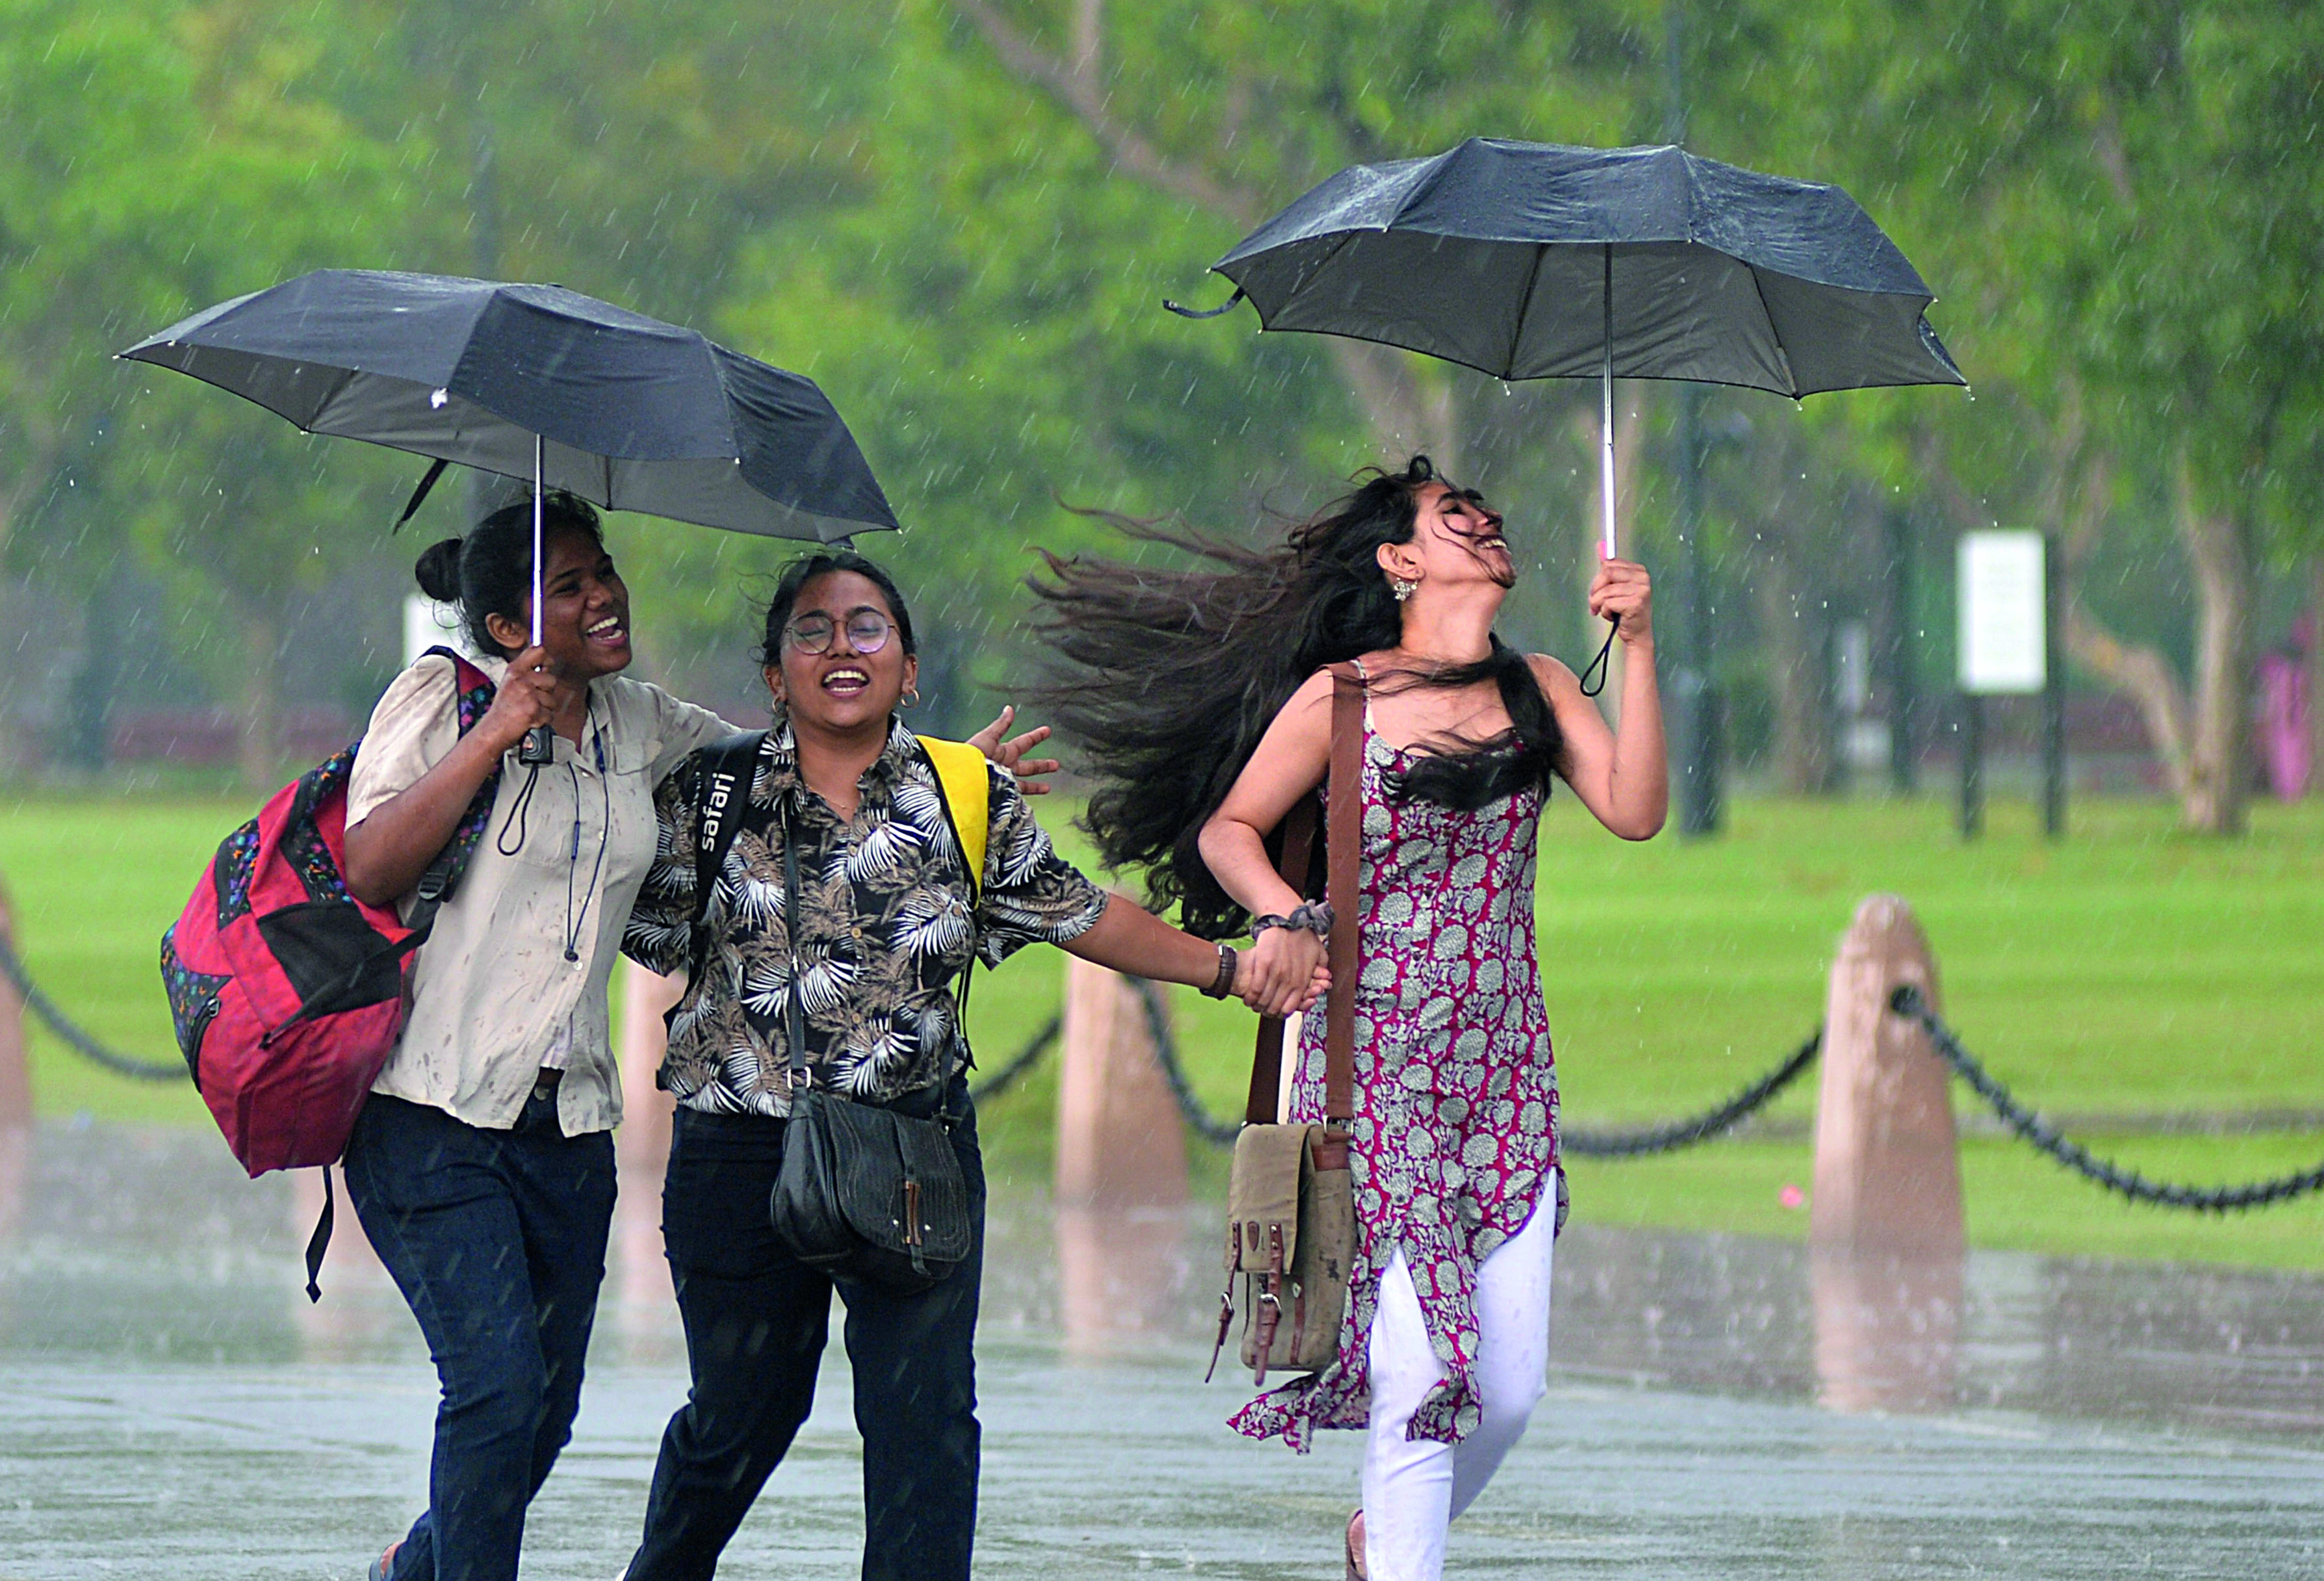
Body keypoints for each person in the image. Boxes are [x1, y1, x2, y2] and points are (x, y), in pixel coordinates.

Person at [338, 498, 1049, 1581]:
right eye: (566, 587)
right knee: (495, 1393)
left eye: (603, 572)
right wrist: (498, 728)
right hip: (429, 1112)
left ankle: (417, 1566)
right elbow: (372, 869)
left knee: (543, 1415)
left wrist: (943, 774)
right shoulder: (441, 697)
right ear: (501, 626)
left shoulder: (641, 723)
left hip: (565, 1126)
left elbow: (797, 757)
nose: (603, 596)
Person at [617, 549, 1328, 1581]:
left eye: (869, 627)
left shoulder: (965, 796)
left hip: (911, 1155)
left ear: (908, 668)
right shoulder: (712, 793)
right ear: (776, 675)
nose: (841, 646)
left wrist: (1227, 970)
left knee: (926, 1428)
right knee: (742, 1417)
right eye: (810, 631)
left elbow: (1084, 914)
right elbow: (643, 934)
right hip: (739, 1154)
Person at [1030, 458, 1665, 1581]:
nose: (1488, 527)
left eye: (1492, 517)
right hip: (1369, 1061)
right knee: (1422, 1374)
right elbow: (1232, 829)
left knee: (1511, 1391)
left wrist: (1643, 650)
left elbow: (1637, 811)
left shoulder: (1546, 687)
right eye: (1454, 516)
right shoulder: (1344, 699)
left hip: (1504, 1068)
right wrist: (1286, 914)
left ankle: (1384, 1537)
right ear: (1400, 560)